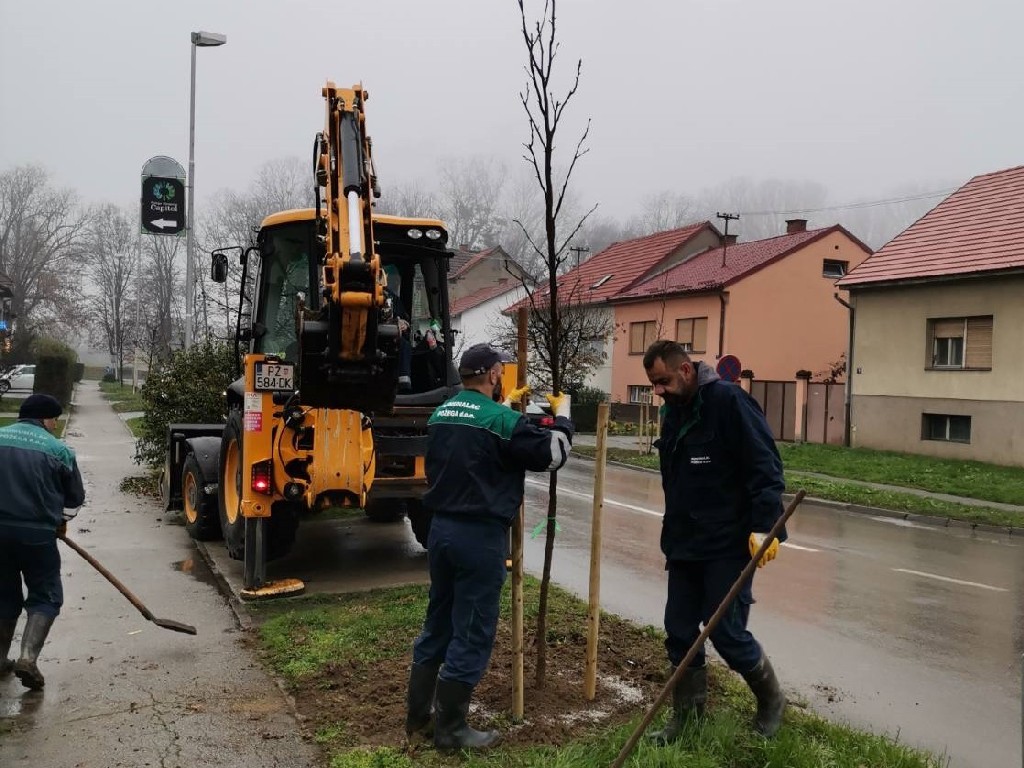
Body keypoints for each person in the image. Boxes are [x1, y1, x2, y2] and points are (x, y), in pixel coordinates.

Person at [405, 343, 573, 751]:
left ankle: (417, 716)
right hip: (479, 536)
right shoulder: (502, 420)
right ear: (495, 375)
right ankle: (451, 730)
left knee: (439, 621)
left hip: (440, 531)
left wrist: (513, 415)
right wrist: (564, 415)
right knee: (473, 628)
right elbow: (553, 454)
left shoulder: (441, 413)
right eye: (502, 373)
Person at [642, 339, 787, 741]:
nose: (658, 391)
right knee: (679, 630)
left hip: (728, 542)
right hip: (685, 542)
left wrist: (765, 527)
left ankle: (772, 701)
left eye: (663, 381)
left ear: (686, 370)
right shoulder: (674, 412)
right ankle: (686, 721)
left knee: (725, 631)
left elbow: (765, 466)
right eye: (654, 384)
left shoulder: (728, 403)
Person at [0, 393, 85, 690]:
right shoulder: (59, 450)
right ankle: (27, 658)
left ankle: (0, 660)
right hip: (37, 536)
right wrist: (61, 522)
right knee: (45, 594)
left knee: (3, 595)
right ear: (45, 419)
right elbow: (74, 500)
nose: (54, 426)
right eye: (54, 420)